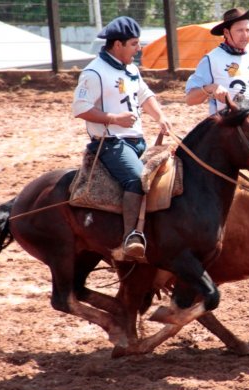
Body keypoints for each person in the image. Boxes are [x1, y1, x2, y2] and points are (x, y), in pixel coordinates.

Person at [72, 16, 172, 261]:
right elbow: (80, 108)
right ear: (117, 45)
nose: (139, 49)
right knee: (138, 179)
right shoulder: (94, 72)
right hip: (110, 144)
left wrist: (160, 117)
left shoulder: (131, 69)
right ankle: (131, 238)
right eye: (134, 44)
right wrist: (115, 118)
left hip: (136, 141)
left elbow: (145, 95)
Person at [185, 7, 249, 115]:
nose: (245, 35)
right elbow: (190, 99)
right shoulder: (211, 59)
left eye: (247, 30)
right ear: (226, 33)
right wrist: (211, 88)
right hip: (226, 127)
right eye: (240, 30)